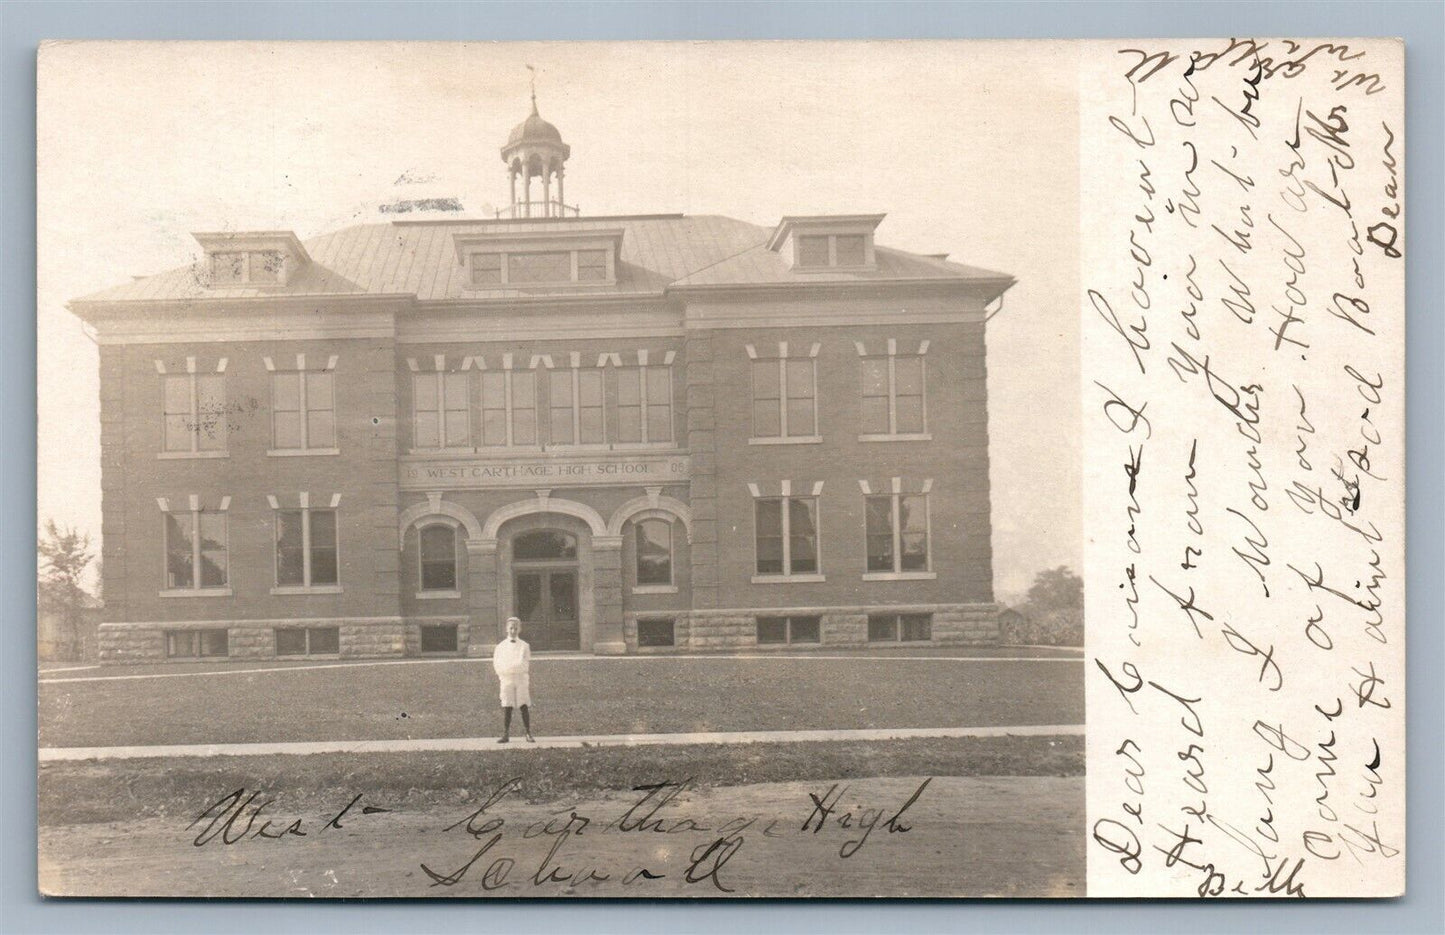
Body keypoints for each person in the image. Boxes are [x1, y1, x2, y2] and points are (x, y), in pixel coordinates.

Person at [492, 616, 534, 743]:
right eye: (511, 628)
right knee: (507, 705)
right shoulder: (501, 646)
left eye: (516, 628)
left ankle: (528, 733)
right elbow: (496, 663)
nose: (513, 631)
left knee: (523, 704)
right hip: (507, 678)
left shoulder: (524, 646)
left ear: (519, 629)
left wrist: (519, 670)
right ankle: (506, 734)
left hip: (520, 679)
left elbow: (526, 662)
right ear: (507, 629)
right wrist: (502, 675)